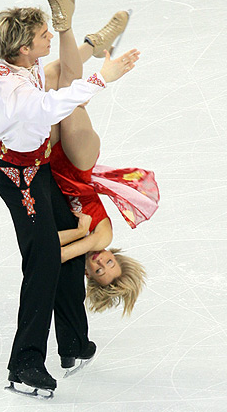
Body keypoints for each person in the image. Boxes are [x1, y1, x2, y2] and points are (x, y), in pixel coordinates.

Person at [0, 0, 136, 396]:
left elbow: (59, 78)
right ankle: (25, 364)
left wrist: (86, 51)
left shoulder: (22, 66)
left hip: (42, 170)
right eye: (42, 35)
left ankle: (73, 342)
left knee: (62, 257)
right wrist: (103, 79)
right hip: (22, 183)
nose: (46, 37)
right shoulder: (13, 92)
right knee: (43, 265)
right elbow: (52, 104)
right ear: (23, 49)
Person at [44, 36, 159, 318]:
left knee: (49, 78)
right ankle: (67, 26)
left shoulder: (81, 244)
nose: (100, 261)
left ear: (90, 277)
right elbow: (53, 253)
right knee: (69, 89)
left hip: (54, 165)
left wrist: (76, 233)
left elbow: (41, 241)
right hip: (79, 164)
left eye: (99, 270)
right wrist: (82, 233)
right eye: (109, 262)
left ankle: (90, 48)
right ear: (115, 255)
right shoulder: (101, 237)